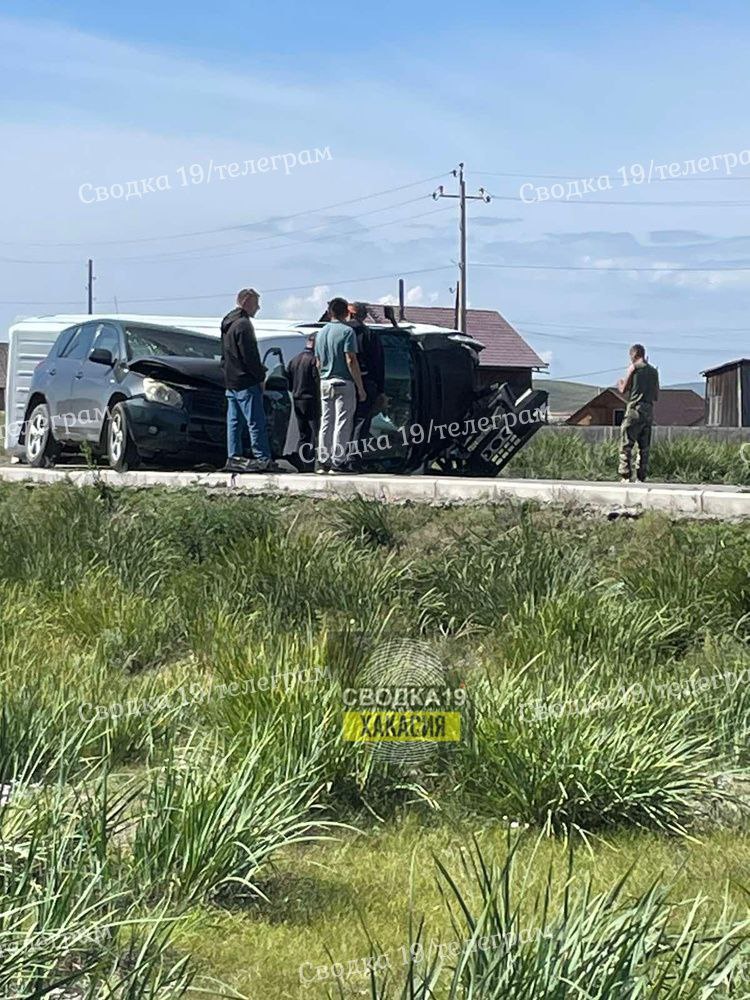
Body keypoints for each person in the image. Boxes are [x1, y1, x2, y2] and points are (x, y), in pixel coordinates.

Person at [220, 288, 272, 472]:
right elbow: (250, 355)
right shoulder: (243, 324)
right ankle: (262, 458)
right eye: (256, 303)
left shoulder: (227, 323)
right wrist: (260, 375)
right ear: (246, 301)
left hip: (231, 379)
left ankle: (233, 456)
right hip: (246, 380)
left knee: (234, 421)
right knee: (255, 420)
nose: (258, 307)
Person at [314, 297, 366, 473]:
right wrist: (360, 387)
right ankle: (339, 461)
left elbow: (318, 362)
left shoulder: (320, 333)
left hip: (325, 381)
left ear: (330, 313)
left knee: (326, 422)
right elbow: (351, 359)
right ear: (346, 313)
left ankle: (323, 461)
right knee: (342, 422)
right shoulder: (347, 332)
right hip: (343, 381)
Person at [348, 302, 385, 462]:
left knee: (341, 421)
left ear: (350, 314)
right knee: (361, 421)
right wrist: (380, 390)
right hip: (366, 382)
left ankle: (334, 457)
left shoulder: (340, 332)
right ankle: (354, 457)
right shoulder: (369, 335)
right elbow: (378, 363)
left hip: (344, 382)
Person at [617, 343, 659, 483]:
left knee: (626, 444)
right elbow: (656, 396)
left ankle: (625, 475)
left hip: (635, 409)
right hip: (648, 411)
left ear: (633, 355)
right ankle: (641, 477)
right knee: (644, 447)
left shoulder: (634, 368)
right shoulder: (654, 371)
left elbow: (624, 390)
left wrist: (620, 383)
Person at [287, 333, 320, 471]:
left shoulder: (294, 359)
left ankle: (301, 460)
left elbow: (288, 380)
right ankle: (309, 462)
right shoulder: (314, 360)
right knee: (314, 432)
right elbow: (317, 380)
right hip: (311, 399)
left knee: (303, 433)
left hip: (297, 398)